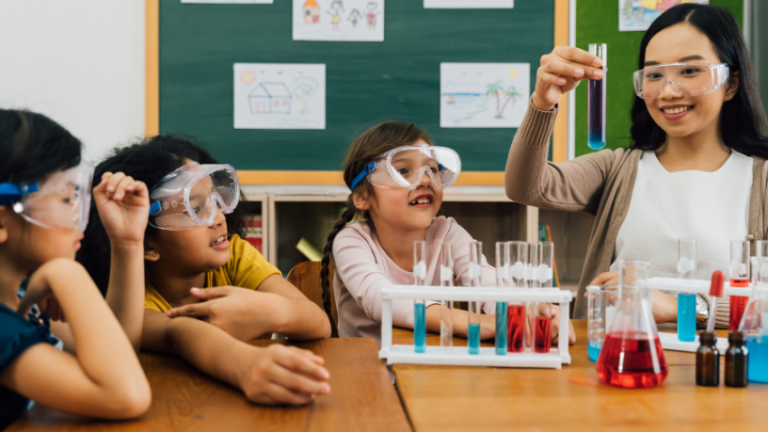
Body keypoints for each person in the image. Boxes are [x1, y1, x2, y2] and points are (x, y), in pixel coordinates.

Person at [505, 4, 768, 327]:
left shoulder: (762, 180)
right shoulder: (618, 169)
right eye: (654, 75)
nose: (668, 91)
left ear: (730, 84)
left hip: (719, 369)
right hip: (617, 358)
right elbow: (525, 186)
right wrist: (543, 103)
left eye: (689, 71)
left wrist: (681, 308)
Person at [78, 135, 332, 405]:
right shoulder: (134, 302)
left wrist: (273, 311)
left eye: (215, 200)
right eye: (195, 208)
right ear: (148, 246)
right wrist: (245, 364)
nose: (219, 218)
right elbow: (179, 331)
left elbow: (320, 324)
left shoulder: (236, 255)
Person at [321, 121, 575, 345]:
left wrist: (530, 312)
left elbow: (488, 284)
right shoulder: (351, 241)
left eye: (432, 169)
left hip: (427, 373)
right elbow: (382, 301)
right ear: (363, 197)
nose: (425, 180)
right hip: (367, 379)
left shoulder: (448, 233)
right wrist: (480, 324)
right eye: (402, 171)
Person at [0, 109, 150, 428]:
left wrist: (127, 243)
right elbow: (125, 395)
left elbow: (118, 350)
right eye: (67, 198)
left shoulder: (20, 301)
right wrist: (69, 274)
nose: (78, 215)